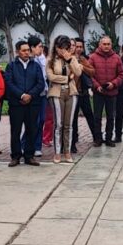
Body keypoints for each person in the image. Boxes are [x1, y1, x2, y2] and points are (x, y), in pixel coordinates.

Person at [4, 40, 44, 166]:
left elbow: (41, 83)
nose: (27, 53)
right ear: (17, 52)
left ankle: (29, 156)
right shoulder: (11, 66)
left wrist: (30, 95)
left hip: (33, 103)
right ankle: (15, 156)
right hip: (17, 103)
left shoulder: (35, 65)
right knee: (15, 130)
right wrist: (21, 95)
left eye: (28, 50)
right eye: (24, 50)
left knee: (31, 129)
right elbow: (9, 83)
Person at [46, 36, 82, 164]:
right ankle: (57, 152)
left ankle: (67, 151)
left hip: (71, 92)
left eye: (67, 48)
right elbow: (51, 77)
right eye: (61, 48)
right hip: (56, 93)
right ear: (56, 48)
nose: (64, 51)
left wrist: (70, 59)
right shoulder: (51, 60)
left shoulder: (72, 59)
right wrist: (66, 78)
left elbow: (78, 73)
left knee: (68, 125)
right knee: (58, 124)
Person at [89, 36, 123, 147]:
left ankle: (109, 138)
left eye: (108, 44)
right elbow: (89, 74)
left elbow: (121, 74)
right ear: (100, 45)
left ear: (111, 45)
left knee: (110, 117)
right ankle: (98, 139)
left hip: (112, 93)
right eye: (104, 44)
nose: (106, 46)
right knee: (97, 117)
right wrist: (96, 86)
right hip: (98, 93)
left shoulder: (116, 58)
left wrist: (113, 84)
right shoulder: (93, 57)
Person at [70, 37, 100, 152]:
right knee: (73, 119)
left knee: (89, 115)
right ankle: (72, 143)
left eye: (80, 47)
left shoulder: (83, 58)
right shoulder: (67, 59)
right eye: (75, 46)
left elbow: (92, 71)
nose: (78, 49)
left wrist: (82, 67)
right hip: (73, 93)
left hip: (84, 93)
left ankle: (97, 137)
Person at [28, 35, 50, 157]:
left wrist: (41, 57)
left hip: (43, 94)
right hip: (32, 94)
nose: (41, 49)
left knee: (41, 120)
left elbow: (45, 72)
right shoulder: (29, 60)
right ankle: (25, 143)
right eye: (39, 47)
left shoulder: (42, 59)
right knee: (32, 121)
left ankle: (37, 146)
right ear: (32, 47)